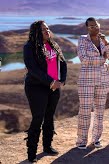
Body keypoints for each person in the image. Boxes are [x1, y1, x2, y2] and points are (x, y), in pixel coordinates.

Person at [23, 20, 67, 162]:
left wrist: (62, 80)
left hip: (54, 87)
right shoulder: (29, 47)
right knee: (38, 118)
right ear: (36, 31)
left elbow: (63, 62)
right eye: (43, 30)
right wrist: (51, 82)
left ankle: (47, 146)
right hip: (36, 87)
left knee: (49, 117)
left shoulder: (53, 45)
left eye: (47, 29)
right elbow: (33, 69)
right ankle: (31, 153)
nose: (47, 31)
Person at [76, 17, 109, 149]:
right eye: (92, 26)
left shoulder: (104, 40)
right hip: (86, 81)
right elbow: (84, 59)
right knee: (85, 111)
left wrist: (105, 43)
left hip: (103, 80)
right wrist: (101, 59)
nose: (95, 28)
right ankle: (81, 141)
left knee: (100, 111)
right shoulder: (82, 40)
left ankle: (96, 139)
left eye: (96, 25)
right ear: (87, 28)